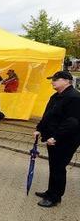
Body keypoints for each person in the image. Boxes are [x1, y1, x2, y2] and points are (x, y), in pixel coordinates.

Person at [33, 71, 80, 208]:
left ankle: (55, 197)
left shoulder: (74, 97)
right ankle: (50, 191)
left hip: (66, 140)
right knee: (53, 166)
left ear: (67, 81)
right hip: (52, 139)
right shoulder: (56, 96)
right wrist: (39, 129)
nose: (52, 82)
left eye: (56, 79)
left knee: (58, 167)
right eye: (52, 79)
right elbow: (48, 115)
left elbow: (73, 122)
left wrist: (56, 137)